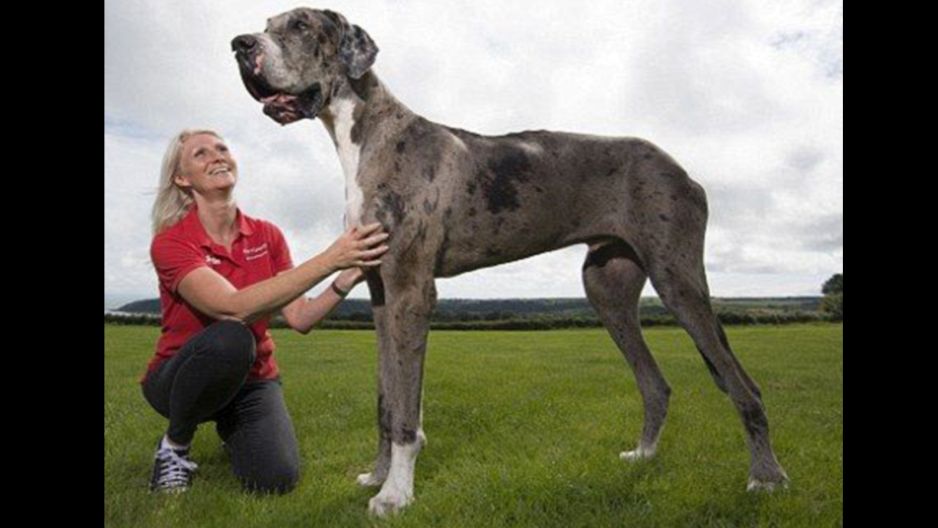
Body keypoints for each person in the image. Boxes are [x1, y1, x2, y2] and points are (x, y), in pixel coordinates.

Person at [141, 129, 388, 494]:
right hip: (178, 379)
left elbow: (300, 317)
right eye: (201, 154)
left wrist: (348, 274)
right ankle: (175, 447)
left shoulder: (267, 235)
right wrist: (332, 256)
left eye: (222, 148)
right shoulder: (171, 242)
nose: (217, 156)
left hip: (252, 380)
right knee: (232, 337)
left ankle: (233, 428)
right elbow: (231, 307)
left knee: (274, 480)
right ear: (182, 179)